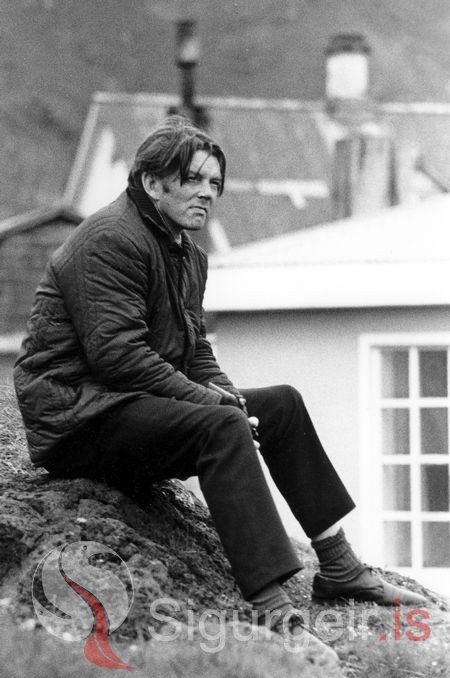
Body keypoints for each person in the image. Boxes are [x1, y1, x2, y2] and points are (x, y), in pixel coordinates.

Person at [14, 116, 426, 663]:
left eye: (215, 183)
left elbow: (196, 351)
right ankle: (273, 610)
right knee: (220, 422)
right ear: (152, 183)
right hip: (78, 419)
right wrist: (215, 405)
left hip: (130, 404)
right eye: (193, 179)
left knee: (280, 404)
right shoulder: (110, 239)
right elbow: (118, 357)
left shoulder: (187, 253)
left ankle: (339, 565)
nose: (208, 193)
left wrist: (227, 395)